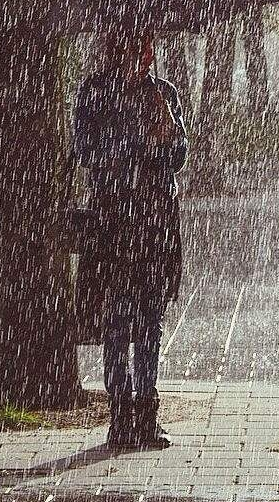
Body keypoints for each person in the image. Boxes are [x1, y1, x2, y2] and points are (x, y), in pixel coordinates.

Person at [74, 30, 188, 450]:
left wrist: (165, 131)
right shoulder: (95, 93)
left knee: (151, 320)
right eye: (133, 47)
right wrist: (137, 142)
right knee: (118, 318)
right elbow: (87, 151)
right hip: (114, 223)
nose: (142, 55)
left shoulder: (165, 93)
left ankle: (146, 412)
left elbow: (178, 157)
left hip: (156, 223)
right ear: (114, 50)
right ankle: (120, 414)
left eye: (147, 47)